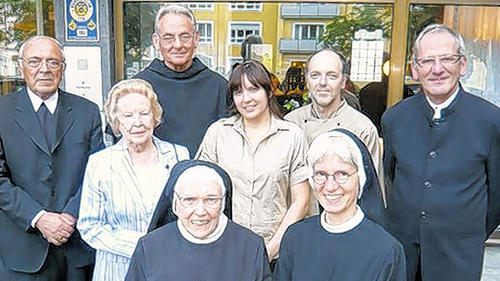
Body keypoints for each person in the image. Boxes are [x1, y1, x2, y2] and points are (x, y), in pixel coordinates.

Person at [382, 24, 500, 281]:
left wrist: (466, 232)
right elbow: (390, 179)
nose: (437, 69)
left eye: (447, 59)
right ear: (414, 69)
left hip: (459, 256)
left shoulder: (491, 120)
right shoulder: (394, 118)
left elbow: (497, 196)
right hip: (403, 253)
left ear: (463, 65)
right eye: (427, 61)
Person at [0, 35, 104, 280]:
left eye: (52, 62)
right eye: (35, 61)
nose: (44, 69)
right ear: (21, 65)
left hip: (76, 248)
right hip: (22, 249)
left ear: (63, 69)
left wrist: (69, 216)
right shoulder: (2, 112)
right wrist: (39, 218)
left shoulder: (87, 111)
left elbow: (97, 173)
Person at [196, 60, 310, 263]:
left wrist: (270, 250)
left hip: (275, 252)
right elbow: (200, 191)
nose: (246, 99)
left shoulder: (292, 135)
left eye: (253, 89)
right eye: (238, 92)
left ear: (269, 91)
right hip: (223, 250)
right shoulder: (218, 133)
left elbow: (300, 200)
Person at [77, 79, 189, 281]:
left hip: (170, 267)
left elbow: (188, 213)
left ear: (155, 116)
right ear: (117, 121)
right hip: (117, 270)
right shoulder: (100, 163)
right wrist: (142, 245)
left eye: (144, 113)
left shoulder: (179, 156)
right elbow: (89, 226)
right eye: (127, 116)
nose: (137, 122)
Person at [273, 129, 405, 281]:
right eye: (321, 174)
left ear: (360, 178)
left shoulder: (387, 250)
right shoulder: (295, 237)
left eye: (342, 174)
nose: (330, 186)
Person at [125, 160, 272, 281]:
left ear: (222, 202)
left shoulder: (251, 246)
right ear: (176, 204)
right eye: (190, 200)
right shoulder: (150, 247)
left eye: (211, 200)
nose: (201, 211)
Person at [285, 48, 385, 207]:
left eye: (331, 76)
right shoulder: (290, 124)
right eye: (315, 75)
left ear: (344, 81)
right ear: (307, 81)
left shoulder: (361, 128)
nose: (322, 83)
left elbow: (372, 193)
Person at [133, 4, 227, 157]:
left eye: (185, 37)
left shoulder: (220, 87)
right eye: (169, 37)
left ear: (196, 38)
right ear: (156, 41)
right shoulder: (137, 88)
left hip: (205, 175)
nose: (177, 45)